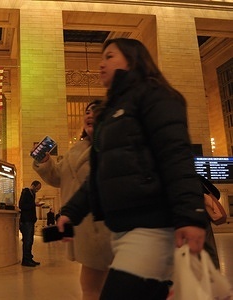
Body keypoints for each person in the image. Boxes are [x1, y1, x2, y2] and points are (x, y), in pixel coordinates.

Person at [57, 38, 207, 300]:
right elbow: (99, 176)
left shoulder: (154, 95)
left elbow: (175, 156)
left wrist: (190, 216)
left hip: (151, 226)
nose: (101, 64)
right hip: (122, 228)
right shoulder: (112, 113)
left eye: (110, 57)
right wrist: (72, 211)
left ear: (133, 59)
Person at [33, 100, 112, 299]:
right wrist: (45, 162)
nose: (89, 114)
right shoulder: (75, 150)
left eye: (96, 111)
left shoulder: (113, 148)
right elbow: (58, 177)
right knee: (91, 286)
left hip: (104, 227)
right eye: (86, 111)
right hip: (79, 225)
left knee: (101, 286)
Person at [18, 180, 43, 267]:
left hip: (30, 220)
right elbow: (21, 205)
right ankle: (25, 260)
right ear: (33, 185)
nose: (37, 190)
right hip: (26, 221)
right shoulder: (26, 192)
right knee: (27, 240)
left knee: (30, 240)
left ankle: (29, 258)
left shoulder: (32, 194)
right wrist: (34, 204)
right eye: (37, 188)